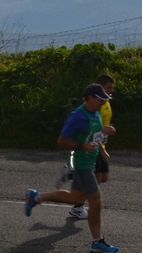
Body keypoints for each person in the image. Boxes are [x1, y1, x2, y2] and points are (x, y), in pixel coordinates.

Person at [25, 84, 119, 253]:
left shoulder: (95, 112)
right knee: (96, 201)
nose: (104, 102)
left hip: (89, 162)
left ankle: (36, 197)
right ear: (89, 98)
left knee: (76, 198)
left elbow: (93, 133)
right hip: (80, 163)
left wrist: (102, 147)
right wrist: (82, 146)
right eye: (100, 98)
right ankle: (97, 242)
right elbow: (61, 141)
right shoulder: (77, 116)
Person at [61, 74, 117, 219]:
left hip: (99, 145)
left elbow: (100, 127)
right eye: (108, 88)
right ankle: (78, 207)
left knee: (103, 178)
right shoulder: (94, 106)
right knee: (94, 182)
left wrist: (107, 132)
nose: (111, 91)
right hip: (92, 147)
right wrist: (102, 148)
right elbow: (91, 130)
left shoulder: (105, 103)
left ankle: (71, 174)